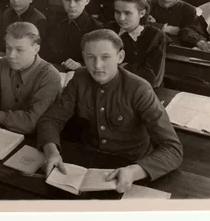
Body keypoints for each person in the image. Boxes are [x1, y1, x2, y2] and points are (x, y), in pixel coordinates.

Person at [36, 29, 183, 193]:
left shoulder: (139, 89)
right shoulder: (79, 78)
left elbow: (172, 149)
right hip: (89, 161)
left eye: (105, 57)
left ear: (120, 57)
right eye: (90, 57)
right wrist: (51, 152)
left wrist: (134, 171)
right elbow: (50, 120)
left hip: (131, 164)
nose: (97, 65)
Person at [109, 0, 170, 89]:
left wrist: (118, 67)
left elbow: (152, 78)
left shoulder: (155, 36)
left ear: (141, 13)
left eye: (127, 13)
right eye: (117, 12)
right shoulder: (110, 29)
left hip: (142, 91)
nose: (121, 18)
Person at [43, 0, 102, 71]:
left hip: (80, 73)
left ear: (87, 1)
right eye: (67, 0)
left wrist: (81, 65)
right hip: (51, 70)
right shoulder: (51, 21)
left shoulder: (96, 28)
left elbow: (99, 58)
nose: (71, 5)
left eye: (77, 0)